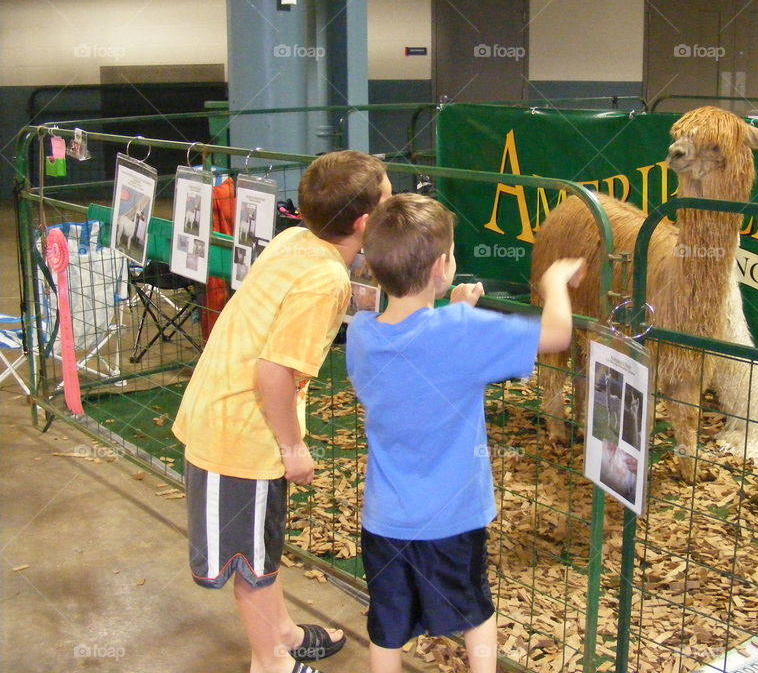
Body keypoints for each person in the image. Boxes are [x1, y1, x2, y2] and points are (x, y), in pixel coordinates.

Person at [173, 150, 391, 673]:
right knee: (249, 563)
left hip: (236, 421)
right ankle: (269, 661)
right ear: (364, 223)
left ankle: (285, 633)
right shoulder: (326, 280)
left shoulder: (298, 239)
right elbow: (273, 372)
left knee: (263, 549)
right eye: (388, 198)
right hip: (240, 436)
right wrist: (294, 448)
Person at [346, 193, 584, 673]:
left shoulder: (362, 334)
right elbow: (558, 334)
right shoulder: (460, 331)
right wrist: (555, 282)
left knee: (387, 621)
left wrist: (451, 309)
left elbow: (419, 342)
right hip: (452, 519)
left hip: (386, 520)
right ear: (441, 267)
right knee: (474, 611)